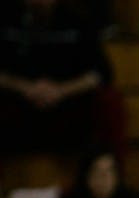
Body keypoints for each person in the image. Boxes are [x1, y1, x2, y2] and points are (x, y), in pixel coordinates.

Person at [0, 0, 126, 165]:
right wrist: (24, 87)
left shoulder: (76, 21)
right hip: (20, 107)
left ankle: (109, 180)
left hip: (67, 108)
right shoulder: (7, 21)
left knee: (109, 100)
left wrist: (62, 90)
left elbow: (101, 73)